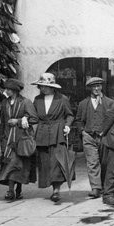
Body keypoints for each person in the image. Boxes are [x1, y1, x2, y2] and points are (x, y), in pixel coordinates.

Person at [32, 73, 74, 203]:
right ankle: (51, 186)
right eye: (41, 86)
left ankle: (56, 190)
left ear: (52, 87)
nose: (42, 88)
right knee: (45, 162)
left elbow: (70, 115)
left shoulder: (62, 99)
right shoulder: (37, 99)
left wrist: (67, 125)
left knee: (57, 161)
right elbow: (34, 115)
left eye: (45, 86)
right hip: (42, 133)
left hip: (58, 132)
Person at [0, 79, 39, 201]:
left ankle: (15, 190)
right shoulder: (5, 103)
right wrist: (2, 139)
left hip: (21, 138)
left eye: (9, 89)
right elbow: (3, 122)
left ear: (15, 90)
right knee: (11, 163)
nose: (6, 91)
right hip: (8, 138)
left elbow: (34, 119)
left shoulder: (26, 102)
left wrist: (18, 121)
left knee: (19, 164)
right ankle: (13, 190)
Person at [74, 77, 114, 199]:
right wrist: (83, 131)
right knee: (92, 162)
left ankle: (103, 185)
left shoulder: (109, 102)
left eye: (98, 86)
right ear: (90, 88)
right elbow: (79, 120)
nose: (96, 89)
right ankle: (95, 188)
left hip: (104, 137)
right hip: (89, 136)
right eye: (94, 86)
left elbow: (113, 119)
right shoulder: (83, 104)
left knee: (105, 162)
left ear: (101, 87)